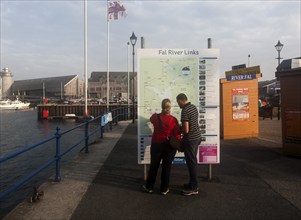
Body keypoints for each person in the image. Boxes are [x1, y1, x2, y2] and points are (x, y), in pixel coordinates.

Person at [142, 98, 181, 195]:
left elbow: (150, 119)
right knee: (166, 167)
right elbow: (177, 134)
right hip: (169, 146)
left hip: (156, 144)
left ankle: (149, 187)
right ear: (170, 107)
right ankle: (164, 189)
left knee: (154, 166)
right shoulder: (173, 120)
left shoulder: (155, 117)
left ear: (162, 106)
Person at [176, 93, 201, 196]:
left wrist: (178, 128)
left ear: (182, 100)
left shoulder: (185, 110)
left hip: (190, 140)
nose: (178, 105)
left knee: (191, 163)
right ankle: (192, 184)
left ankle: (194, 187)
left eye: (178, 102)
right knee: (193, 161)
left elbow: (186, 130)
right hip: (197, 137)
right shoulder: (193, 107)